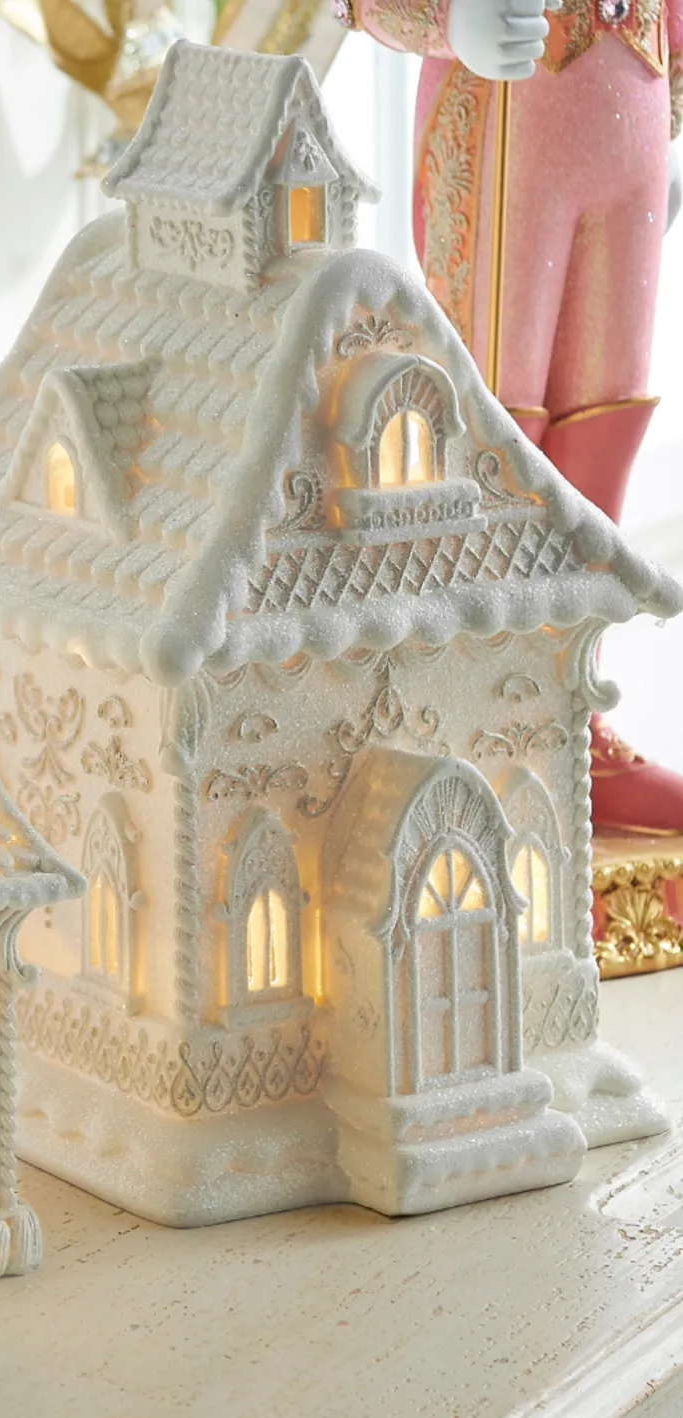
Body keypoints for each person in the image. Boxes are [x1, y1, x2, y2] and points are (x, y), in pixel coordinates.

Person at [342, 0, 683, 831]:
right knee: (495, 425)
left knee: (604, 415)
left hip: (637, 116)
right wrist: (447, 21)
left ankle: (570, 713)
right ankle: (482, 716)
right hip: (505, 109)